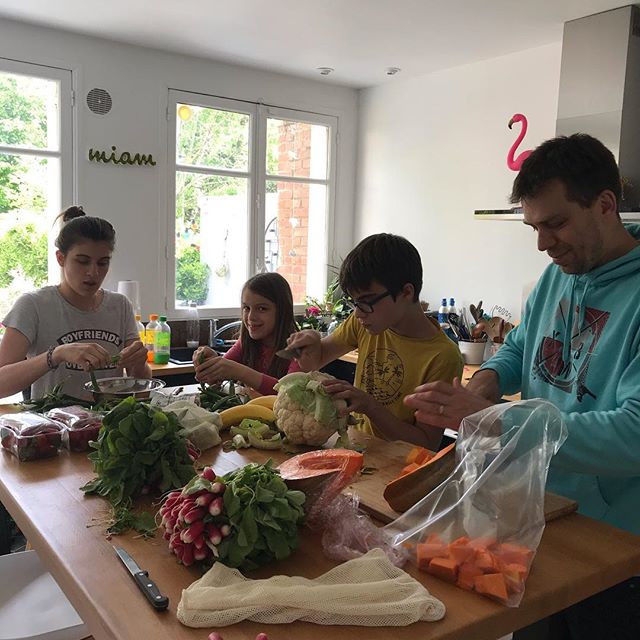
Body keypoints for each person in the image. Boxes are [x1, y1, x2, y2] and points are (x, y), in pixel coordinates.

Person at [404, 133, 640, 639]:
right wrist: (489, 381)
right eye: (533, 226)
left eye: (555, 223)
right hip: (540, 513)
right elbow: (520, 348)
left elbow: (634, 435)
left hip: (616, 541)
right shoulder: (556, 275)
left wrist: (500, 420)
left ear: (605, 205)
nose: (542, 243)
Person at [286, 233, 463, 449]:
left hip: (399, 468)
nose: (359, 313)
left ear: (407, 292)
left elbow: (425, 443)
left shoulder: (443, 357)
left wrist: (370, 406)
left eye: (367, 301)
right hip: (358, 451)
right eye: (354, 303)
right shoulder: (365, 321)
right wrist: (311, 343)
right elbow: (315, 361)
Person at [0, 206, 149, 401]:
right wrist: (57, 354)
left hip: (109, 426)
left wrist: (138, 363)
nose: (93, 273)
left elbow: (142, 388)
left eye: (102, 263)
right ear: (60, 258)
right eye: (83, 261)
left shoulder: (120, 305)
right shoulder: (33, 305)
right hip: (52, 427)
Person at [193, 272, 301, 395]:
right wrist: (210, 362)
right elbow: (215, 379)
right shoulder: (245, 343)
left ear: (283, 311)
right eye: (246, 308)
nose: (251, 317)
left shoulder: (300, 349)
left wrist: (241, 372)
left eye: (262, 308)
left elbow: (289, 395)